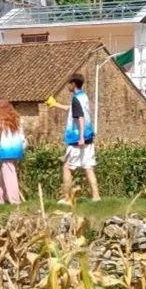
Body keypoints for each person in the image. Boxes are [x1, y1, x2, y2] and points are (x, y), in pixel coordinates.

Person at [48, 74, 100, 204]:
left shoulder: (76, 99)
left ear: (73, 84)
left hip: (77, 139)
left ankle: (67, 198)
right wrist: (55, 104)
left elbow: (80, 117)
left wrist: (80, 137)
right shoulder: (83, 97)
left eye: (68, 83)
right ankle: (96, 197)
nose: (67, 86)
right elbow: (72, 110)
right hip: (88, 137)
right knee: (88, 167)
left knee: (67, 168)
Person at [0, 98, 26, 205]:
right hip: (18, 148)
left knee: (10, 173)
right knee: (5, 171)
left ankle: (14, 200)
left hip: (5, 149)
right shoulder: (17, 118)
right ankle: (1, 199)